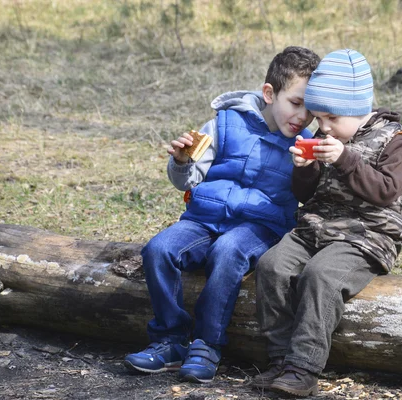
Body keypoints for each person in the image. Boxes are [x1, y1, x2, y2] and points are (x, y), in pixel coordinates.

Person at [123, 46, 321, 384]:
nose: (303, 117)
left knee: (228, 251)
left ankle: (206, 344)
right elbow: (188, 178)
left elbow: (309, 193)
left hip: (261, 227)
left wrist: (310, 168)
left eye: (311, 111)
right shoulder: (225, 123)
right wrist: (182, 162)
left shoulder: (304, 145)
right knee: (158, 249)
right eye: (296, 103)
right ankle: (170, 340)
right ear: (269, 93)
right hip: (204, 218)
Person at [253, 49, 402, 397]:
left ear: (357, 108)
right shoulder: (329, 134)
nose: (322, 126)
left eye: (330, 117)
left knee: (321, 275)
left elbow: (387, 191)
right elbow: (306, 193)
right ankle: (279, 359)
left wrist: (346, 159)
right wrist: (304, 167)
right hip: (317, 227)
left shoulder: (395, 140)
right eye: (318, 116)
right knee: (271, 265)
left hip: (367, 237)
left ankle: (303, 367)